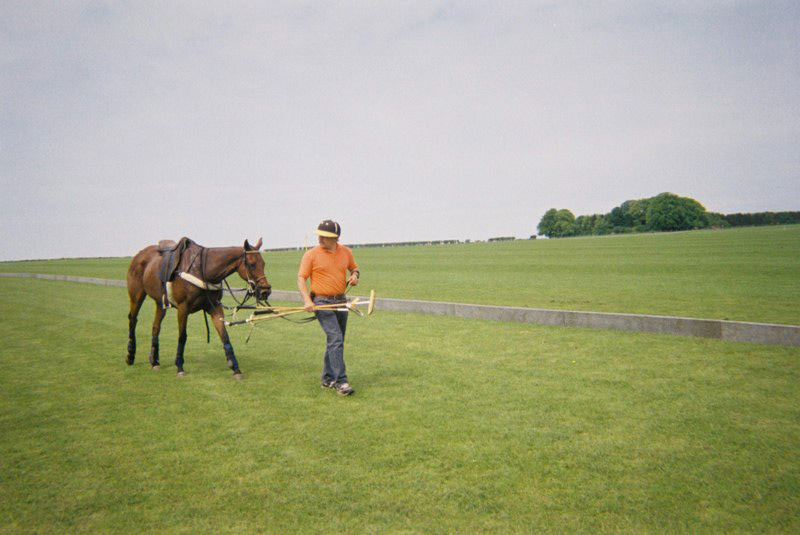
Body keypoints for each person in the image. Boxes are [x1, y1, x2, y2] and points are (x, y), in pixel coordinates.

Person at [297, 219, 360, 396]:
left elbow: (355, 268)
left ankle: (327, 379)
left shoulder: (346, 252)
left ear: (336, 238)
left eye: (325, 237)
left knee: (336, 341)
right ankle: (341, 382)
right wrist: (307, 301)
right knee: (335, 338)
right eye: (320, 236)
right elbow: (301, 278)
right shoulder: (311, 255)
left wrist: (354, 276)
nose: (320, 239)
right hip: (321, 302)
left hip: (341, 301)